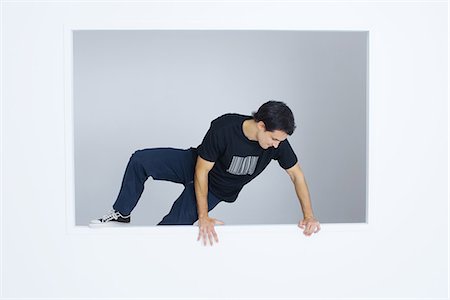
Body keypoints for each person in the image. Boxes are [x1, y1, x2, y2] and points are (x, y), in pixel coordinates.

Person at [90, 100, 321, 245]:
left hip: (217, 189)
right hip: (194, 164)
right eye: (274, 139)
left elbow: (296, 175)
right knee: (140, 160)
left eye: (281, 141)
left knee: (167, 232)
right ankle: (121, 213)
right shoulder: (224, 128)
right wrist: (203, 216)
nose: (276, 145)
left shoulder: (277, 144)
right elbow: (201, 171)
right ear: (261, 125)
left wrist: (309, 215)